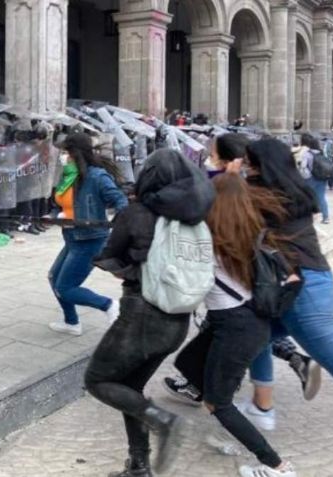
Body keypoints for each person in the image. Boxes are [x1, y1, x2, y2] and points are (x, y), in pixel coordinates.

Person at [85, 149, 215, 477]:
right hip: (178, 318)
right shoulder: (197, 215)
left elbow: (109, 256)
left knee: (98, 380)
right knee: (129, 388)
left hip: (140, 315)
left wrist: (122, 269)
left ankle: (163, 421)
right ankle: (138, 466)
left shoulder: (137, 212)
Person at [166, 135, 323, 404]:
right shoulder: (243, 183)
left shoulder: (232, 184)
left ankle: (209, 389)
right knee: (239, 331)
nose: (209, 156)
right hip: (251, 274)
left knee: (226, 331)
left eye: (213, 153)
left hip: (239, 274)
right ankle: (261, 395)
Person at [176, 173, 298, 477]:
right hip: (241, 321)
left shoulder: (210, 237)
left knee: (218, 401)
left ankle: (276, 466)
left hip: (237, 326)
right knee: (189, 364)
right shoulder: (249, 230)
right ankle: (229, 431)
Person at [244, 139, 333, 431]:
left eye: (249, 162)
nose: (245, 167)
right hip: (315, 282)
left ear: (262, 165)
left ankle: (262, 407)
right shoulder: (295, 190)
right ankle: (262, 407)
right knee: (254, 336)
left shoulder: (261, 196)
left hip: (302, 295)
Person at [47, 133, 128, 336]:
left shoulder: (96, 177)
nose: (62, 156)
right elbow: (63, 204)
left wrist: (118, 223)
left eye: (65, 152)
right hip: (72, 238)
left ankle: (109, 305)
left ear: (75, 153)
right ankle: (72, 323)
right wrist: (55, 215)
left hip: (90, 241)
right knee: (54, 277)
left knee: (65, 287)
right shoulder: (69, 175)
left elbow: (120, 201)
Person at [294, 133, 329, 224]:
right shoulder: (321, 152)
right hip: (322, 177)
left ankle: (306, 216)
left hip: (311, 178)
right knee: (321, 197)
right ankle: (326, 217)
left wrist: (306, 176)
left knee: (306, 196)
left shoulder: (307, 154)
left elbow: (303, 167)